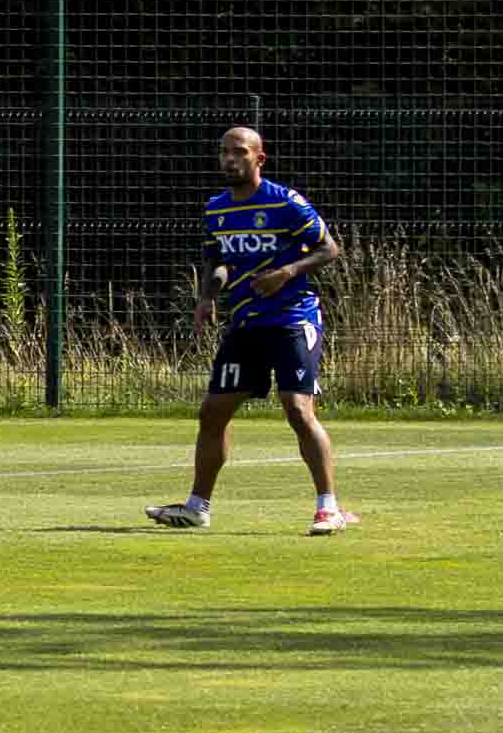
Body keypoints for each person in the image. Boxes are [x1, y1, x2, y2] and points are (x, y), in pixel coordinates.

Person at [149, 126, 353, 533]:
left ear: (259, 158)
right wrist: (207, 297)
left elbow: (329, 248)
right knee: (213, 412)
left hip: (292, 318)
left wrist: (286, 272)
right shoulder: (217, 209)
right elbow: (219, 260)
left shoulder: (285, 202)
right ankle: (197, 507)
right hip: (247, 323)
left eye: (239, 152)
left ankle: (328, 508)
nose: (230, 159)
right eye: (224, 152)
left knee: (297, 409)